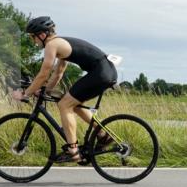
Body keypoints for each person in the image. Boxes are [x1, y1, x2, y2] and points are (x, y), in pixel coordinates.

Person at [13, 16, 117, 162]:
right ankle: (103, 135)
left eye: (33, 37)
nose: (33, 41)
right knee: (71, 103)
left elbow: (43, 74)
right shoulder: (61, 43)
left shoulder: (52, 45)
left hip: (100, 73)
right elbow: (58, 73)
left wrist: (25, 93)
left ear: (42, 35)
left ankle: (73, 151)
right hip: (105, 71)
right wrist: (45, 90)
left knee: (64, 104)